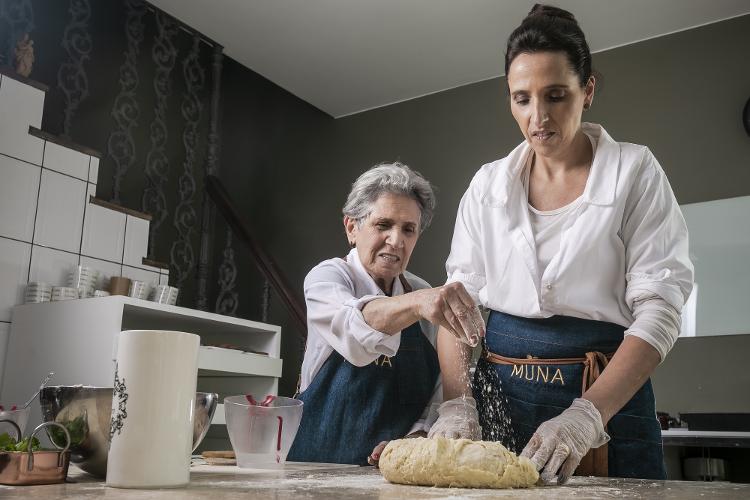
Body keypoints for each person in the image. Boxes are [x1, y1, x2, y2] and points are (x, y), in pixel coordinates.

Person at [428, 4, 694, 484]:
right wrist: (457, 402)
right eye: (522, 99)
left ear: (587, 90)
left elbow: (661, 308)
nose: (538, 118)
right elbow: (457, 306)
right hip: (498, 398)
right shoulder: (487, 186)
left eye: (555, 96)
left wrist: (586, 417)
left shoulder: (634, 172)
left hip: (604, 398)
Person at [287, 162, 484, 465]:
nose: (396, 240)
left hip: (389, 472)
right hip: (314, 464)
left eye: (409, 229)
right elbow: (353, 328)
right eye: (383, 225)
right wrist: (417, 304)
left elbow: (435, 391)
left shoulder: (419, 290)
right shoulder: (327, 277)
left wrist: (417, 436)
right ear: (352, 228)